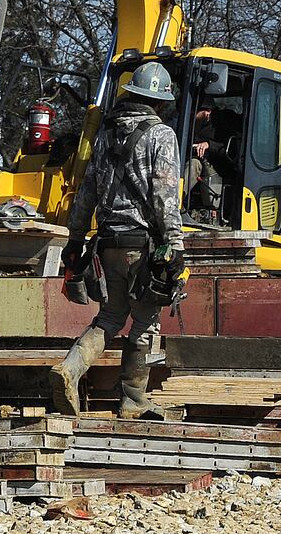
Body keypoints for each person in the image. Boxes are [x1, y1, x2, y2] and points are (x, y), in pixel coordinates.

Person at [50, 62, 185, 420]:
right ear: (159, 102)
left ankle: (70, 368)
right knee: (145, 322)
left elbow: (85, 194)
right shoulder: (161, 136)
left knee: (110, 317)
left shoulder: (105, 135)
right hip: (142, 246)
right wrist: (175, 246)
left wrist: (75, 240)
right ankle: (133, 401)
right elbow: (165, 196)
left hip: (106, 244)